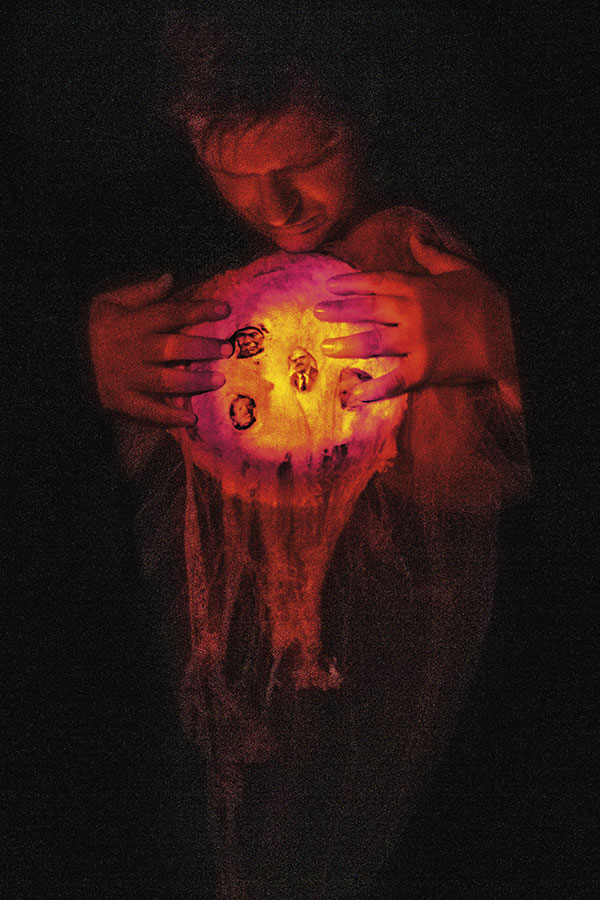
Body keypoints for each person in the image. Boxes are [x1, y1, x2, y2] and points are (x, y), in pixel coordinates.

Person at [87, 6, 529, 898]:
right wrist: (78, 365)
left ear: (368, 109)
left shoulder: (443, 241)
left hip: (447, 731)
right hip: (191, 725)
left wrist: (496, 336)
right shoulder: (164, 260)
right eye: (233, 170)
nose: (277, 206)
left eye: (309, 158)